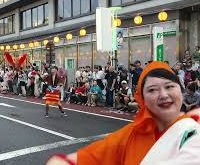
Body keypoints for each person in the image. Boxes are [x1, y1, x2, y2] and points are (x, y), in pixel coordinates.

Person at [46, 61, 200, 164]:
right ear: (143, 99)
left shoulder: (194, 127)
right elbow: (79, 159)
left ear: (181, 89)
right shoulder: (132, 133)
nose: (163, 95)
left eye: (169, 86)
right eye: (152, 90)